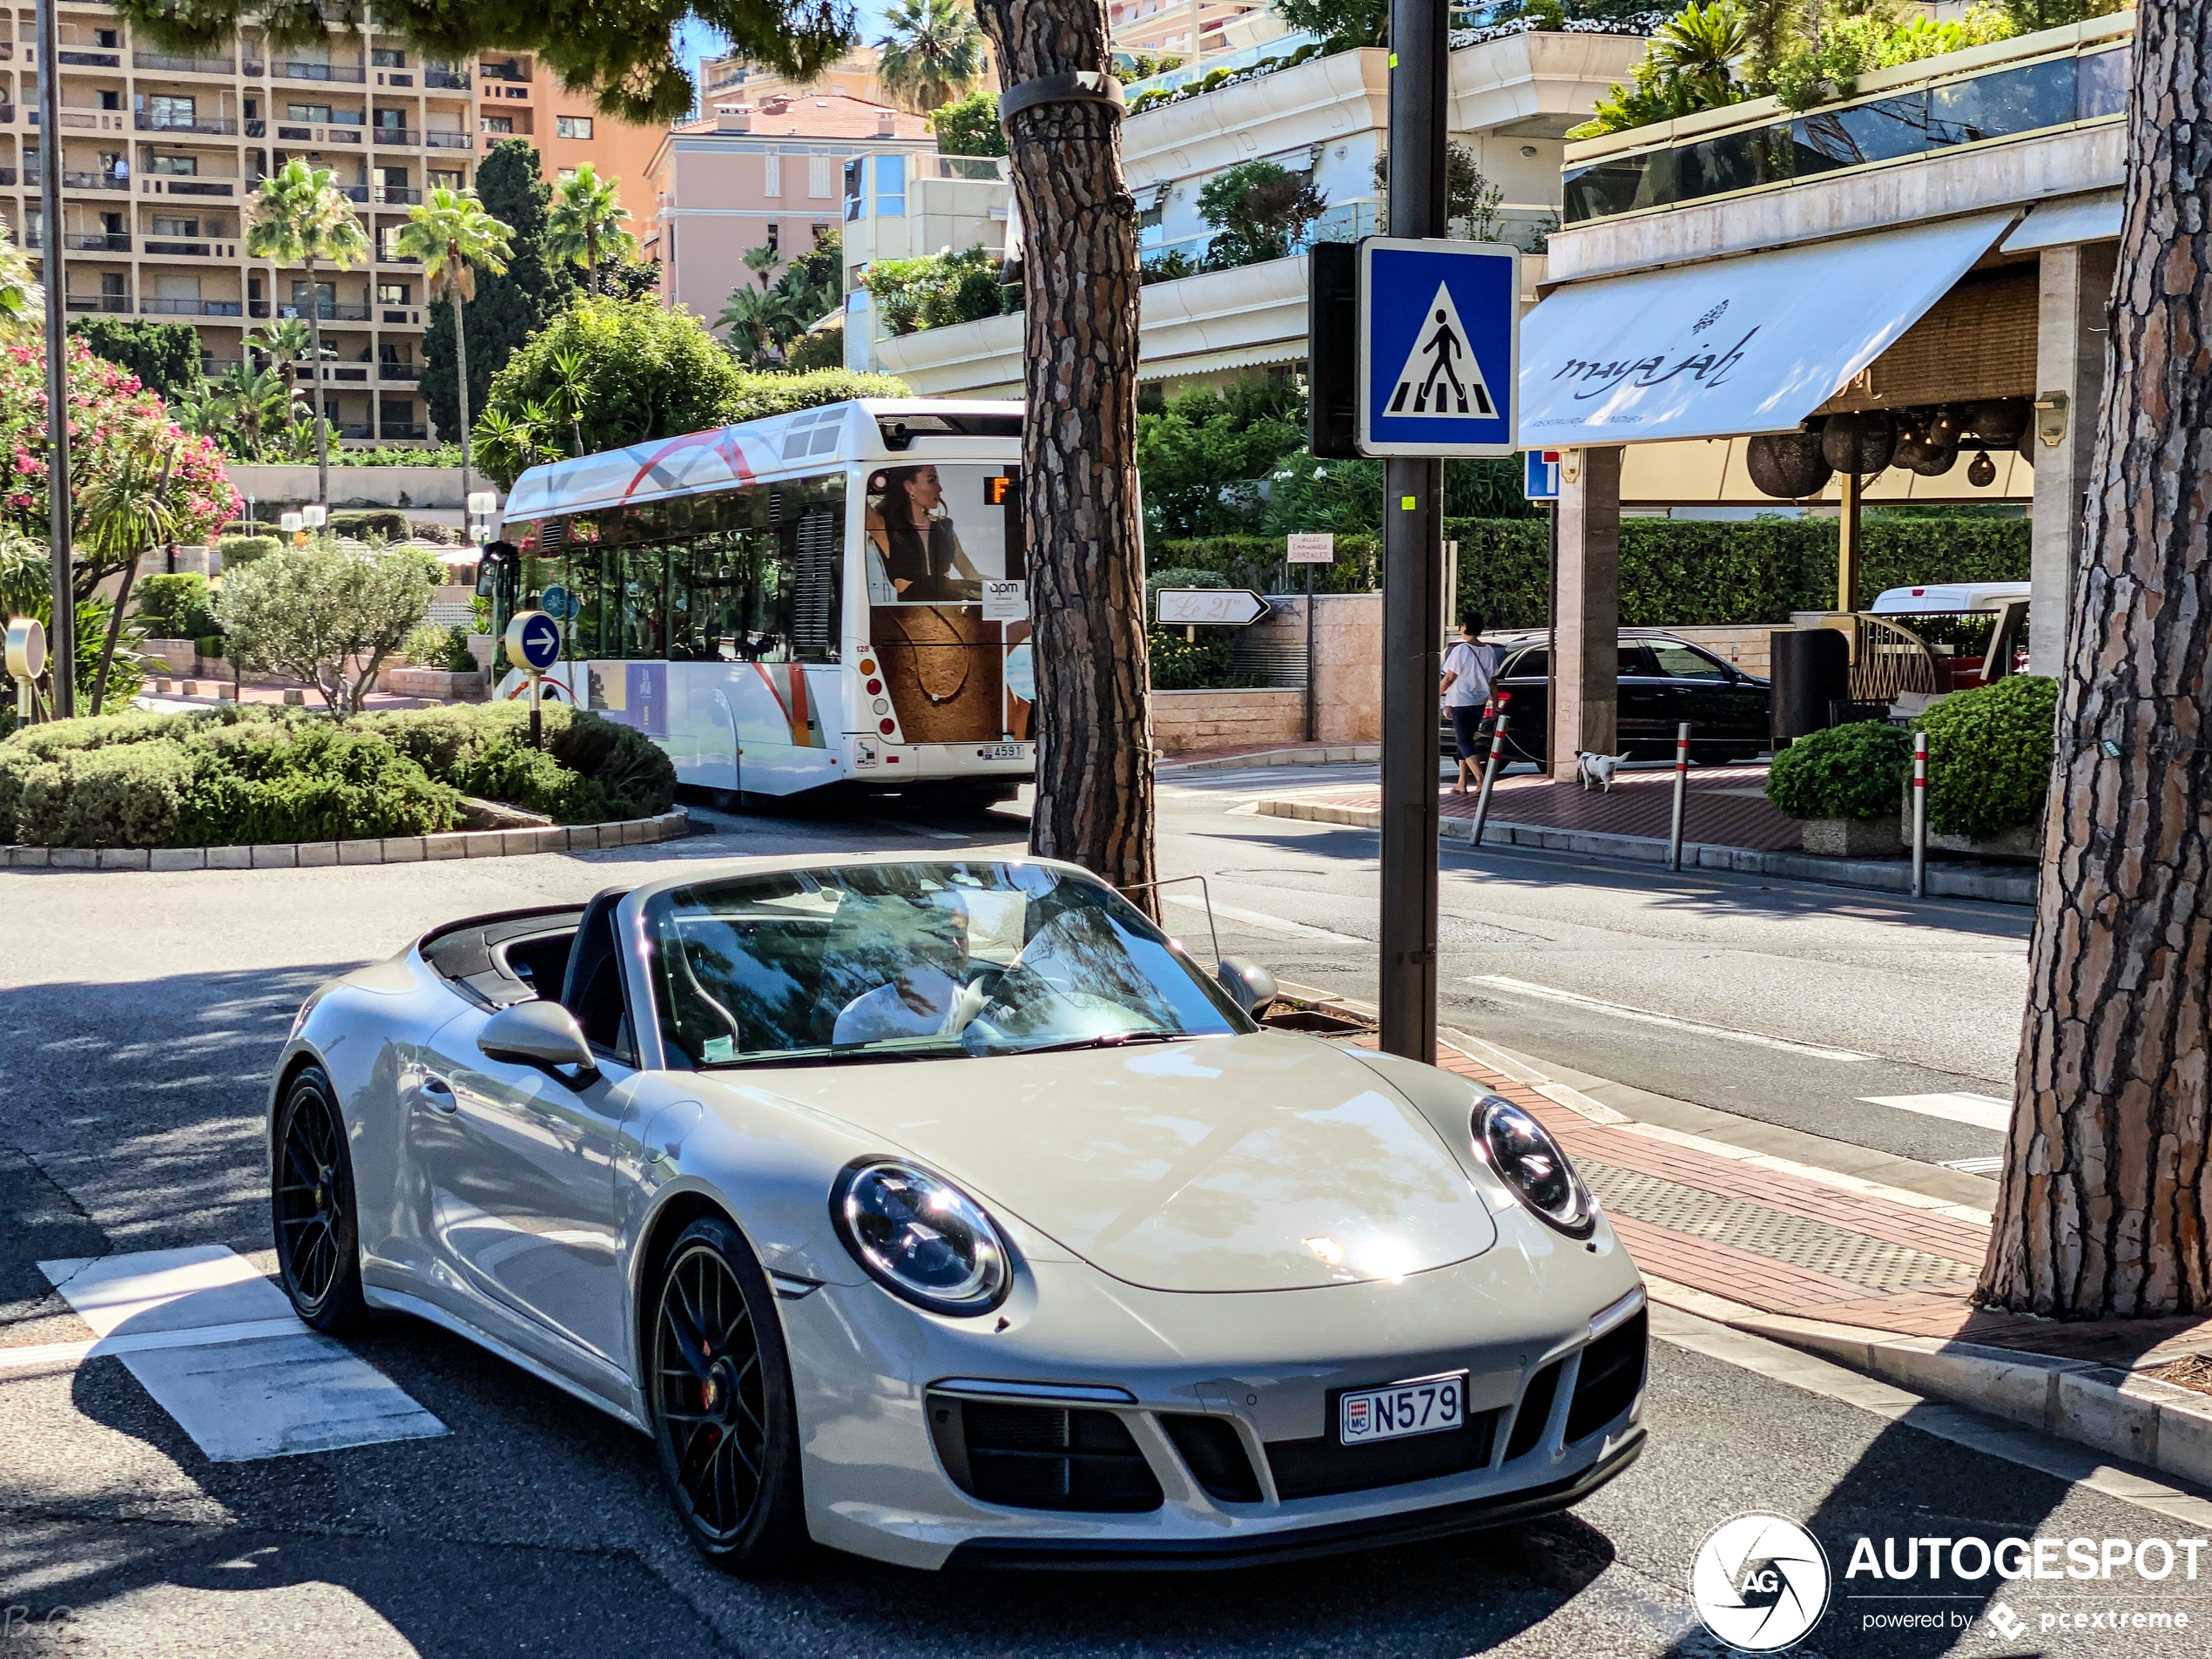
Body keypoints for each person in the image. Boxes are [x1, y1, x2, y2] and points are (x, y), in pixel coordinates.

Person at [867, 465, 982, 601]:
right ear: (910, 487)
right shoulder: (887, 529)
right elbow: (854, 497)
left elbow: (971, 574)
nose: (940, 488)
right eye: (931, 481)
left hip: (953, 612)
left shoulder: (944, 527)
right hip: (909, 618)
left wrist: (1005, 590)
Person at [1440, 609, 1500, 795]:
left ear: (1465, 627)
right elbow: (1493, 681)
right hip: (1479, 701)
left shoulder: (1460, 650)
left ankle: (1482, 781)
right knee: (1465, 740)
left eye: (1461, 625)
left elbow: (1449, 677)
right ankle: (1462, 782)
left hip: (1461, 701)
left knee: (1464, 741)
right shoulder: (1488, 650)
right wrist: (1495, 704)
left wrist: (1437, 693)